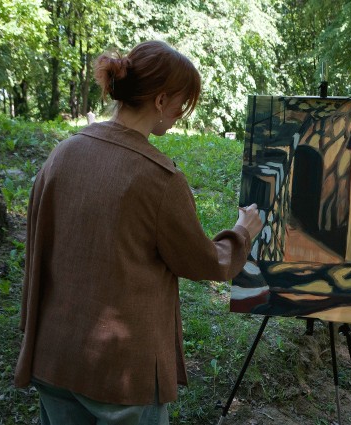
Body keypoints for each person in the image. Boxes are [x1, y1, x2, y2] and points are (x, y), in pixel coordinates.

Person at [14, 40, 263, 424]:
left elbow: (37, 248)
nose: (181, 114)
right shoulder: (158, 178)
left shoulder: (62, 153)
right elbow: (204, 261)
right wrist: (242, 232)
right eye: (183, 103)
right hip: (119, 377)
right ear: (161, 100)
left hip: (53, 357)